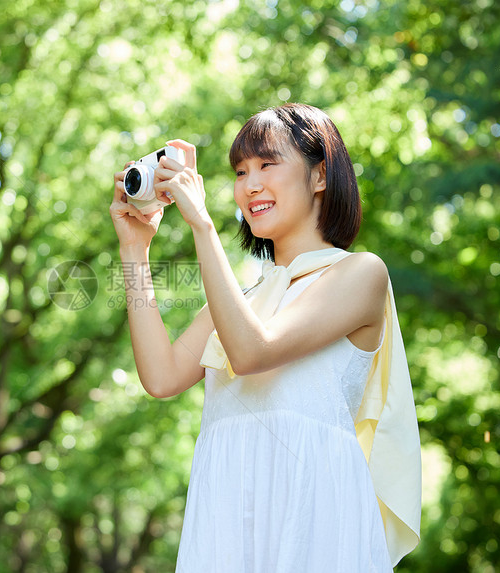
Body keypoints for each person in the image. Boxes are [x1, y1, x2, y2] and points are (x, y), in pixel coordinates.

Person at [109, 103, 421, 572]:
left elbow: (256, 350)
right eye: (240, 171)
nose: (250, 184)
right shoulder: (245, 299)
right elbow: (161, 375)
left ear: (319, 177)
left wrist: (202, 225)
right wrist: (135, 249)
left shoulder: (360, 273)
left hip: (312, 511)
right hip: (229, 508)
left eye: (267, 165)